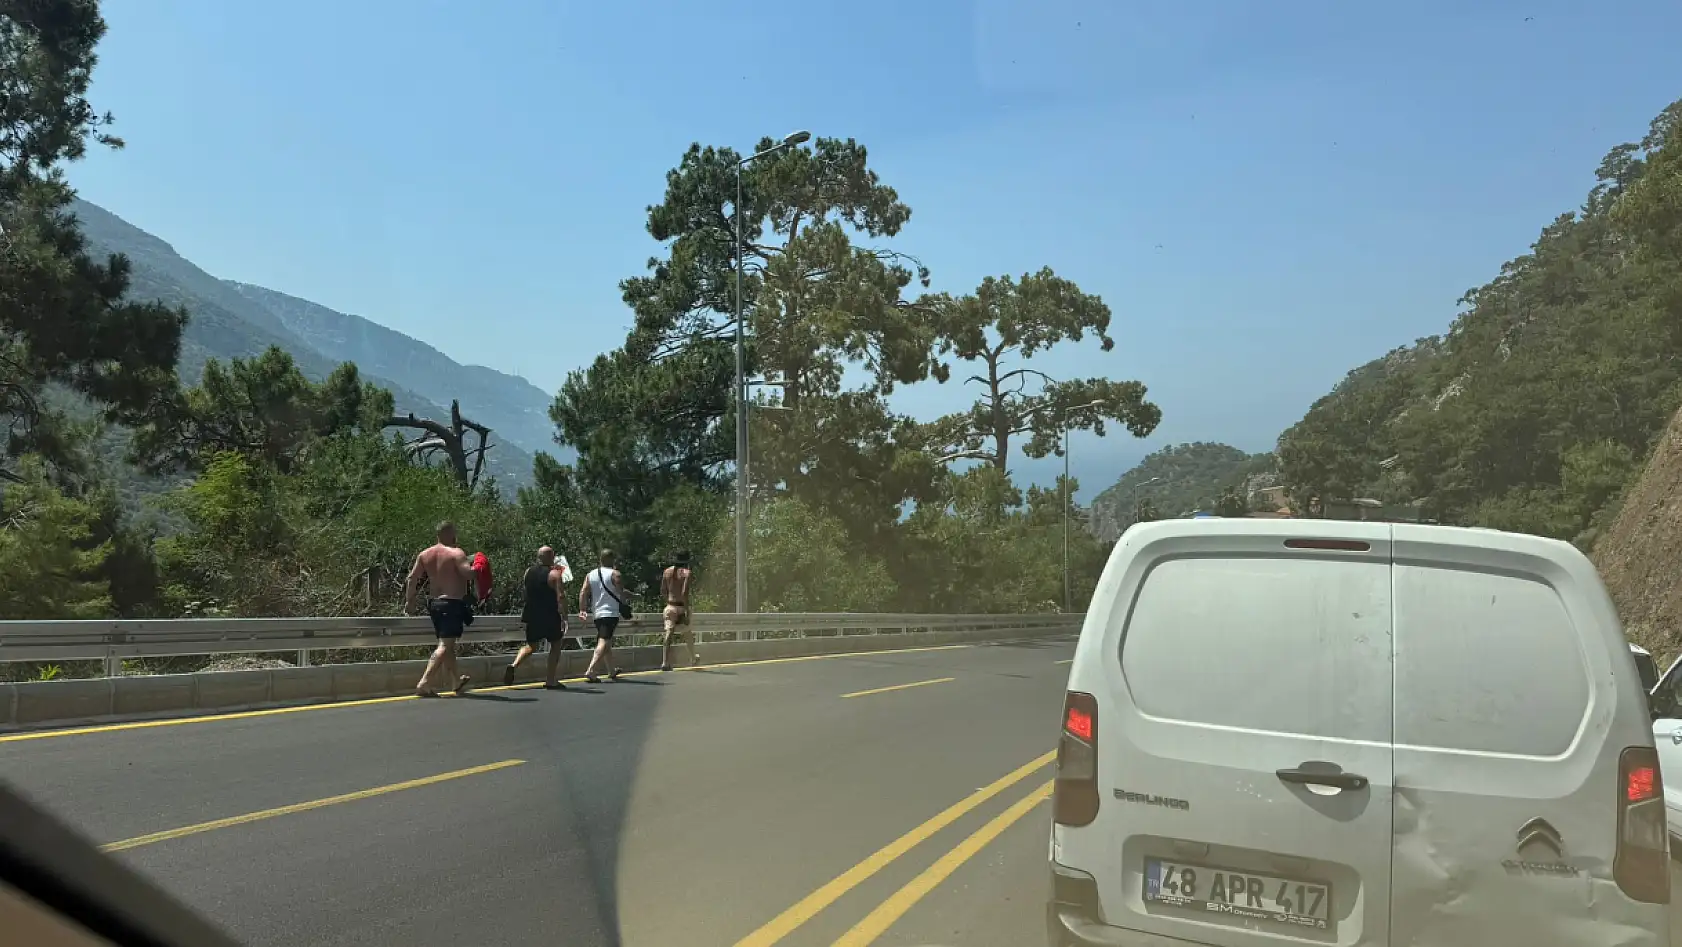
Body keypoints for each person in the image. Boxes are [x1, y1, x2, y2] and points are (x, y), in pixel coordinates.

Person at [405, 521, 475, 697]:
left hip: (434, 604)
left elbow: (412, 579)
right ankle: (424, 682)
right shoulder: (456, 553)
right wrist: (480, 566)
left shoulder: (425, 554)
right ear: (451, 534)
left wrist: (409, 601)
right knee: (445, 645)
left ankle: (456, 681)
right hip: (451, 603)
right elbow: (468, 573)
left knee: (448, 644)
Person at [505, 546, 567, 689]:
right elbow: (561, 596)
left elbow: (526, 591)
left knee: (531, 646)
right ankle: (550, 680)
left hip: (531, 614)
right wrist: (564, 616)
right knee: (556, 644)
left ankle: (514, 664)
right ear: (551, 557)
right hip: (550, 615)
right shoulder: (554, 574)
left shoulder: (528, 572)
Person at [579, 548, 627, 684]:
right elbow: (620, 592)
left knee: (606, 640)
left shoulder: (591, 574)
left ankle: (611, 670)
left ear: (600, 559)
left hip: (597, 613)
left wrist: (582, 609)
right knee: (604, 641)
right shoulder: (615, 574)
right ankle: (591, 670)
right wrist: (624, 605)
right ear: (612, 560)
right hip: (610, 613)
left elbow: (583, 592)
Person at [660, 550, 697, 671]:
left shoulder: (667, 572)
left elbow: (663, 591)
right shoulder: (687, 573)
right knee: (687, 633)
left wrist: (669, 601)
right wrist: (686, 610)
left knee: (669, 632)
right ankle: (692, 658)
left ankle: (665, 662)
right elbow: (684, 593)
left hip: (670, 606)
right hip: (681, 606)